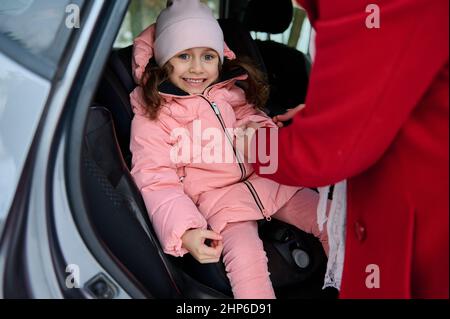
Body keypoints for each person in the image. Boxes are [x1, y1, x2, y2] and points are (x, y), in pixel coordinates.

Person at [129, 0, 328, 299]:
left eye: (208, 56)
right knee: (248, 264)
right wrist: (186, 231)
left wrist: (262, 132)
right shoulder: (155, 115)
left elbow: (256, 123)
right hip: (221, 202)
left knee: (330, 221)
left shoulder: (231, 91)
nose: (197, 68)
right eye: (184, 56)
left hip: (269, 181)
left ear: (220, 58)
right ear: (164, 60)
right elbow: (156, 179)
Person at [249, 0, 449, 298]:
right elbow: (399, 85)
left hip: (422, 233)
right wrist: (323, 115)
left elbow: (321, 152)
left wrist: (249, 145)